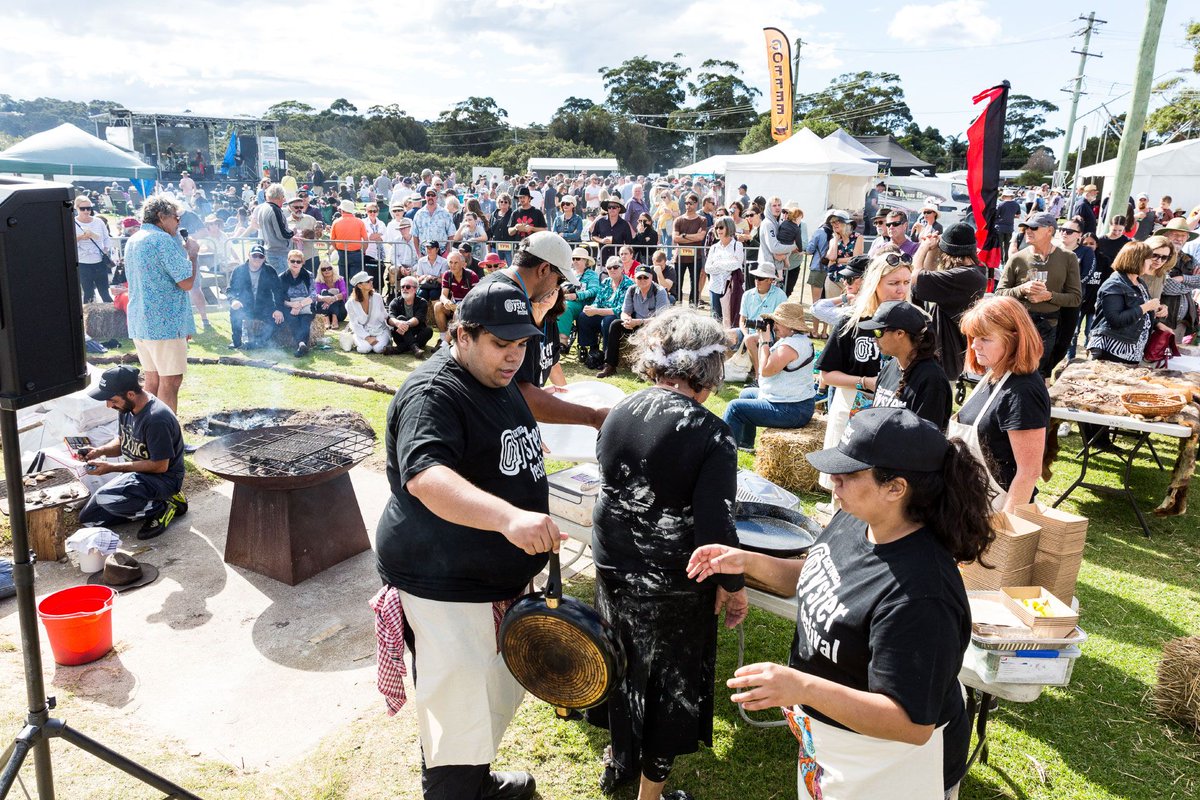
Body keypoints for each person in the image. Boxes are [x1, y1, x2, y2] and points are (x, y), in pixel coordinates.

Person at [687, 406, 994, 800]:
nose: (834, 480)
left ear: (895, 488)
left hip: (892, 765)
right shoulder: (857, 518)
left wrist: (802, 687)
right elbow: (821, 573)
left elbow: (910, 724)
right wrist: (748, 562)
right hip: (836, 746)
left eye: (849, 473)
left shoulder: (922, 595)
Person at [370, 280, 563, 800]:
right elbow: (426, 476)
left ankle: (475, 783)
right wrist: (509, 518)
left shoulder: (497, 378)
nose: (514, 356)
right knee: (457, 711)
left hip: (486, 578)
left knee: (482, 698)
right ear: (461, 335)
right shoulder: (433, 393)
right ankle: (457, 791)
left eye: (520, 343)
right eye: (501, 344)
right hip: (443, 584)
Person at [588, 309, 747, 800]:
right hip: (671, 586)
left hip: (613, 569)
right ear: (709, 370)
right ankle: (649, 795)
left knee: (620, 664)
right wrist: (734, 587)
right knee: (667, 690)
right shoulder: (712, 432)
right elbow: (716, 529)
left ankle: (619, 760)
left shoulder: (620, 409)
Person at [815, 253, 911, 492]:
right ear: (874, 283)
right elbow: (826, 375)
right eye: (893, 283)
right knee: (844, 485)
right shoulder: (851, 321)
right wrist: (866, 382)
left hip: (893, 412)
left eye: (906, 282)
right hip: (850, 405)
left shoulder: (914, 323)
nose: (901, 290)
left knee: (880, 485)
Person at [956, 295, 1050, 511]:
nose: (975, 345)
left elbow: (1029, 472)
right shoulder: (994, 374)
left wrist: (1005, 525)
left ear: (1014, 339)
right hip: (969, 502)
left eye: (985, 339)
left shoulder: (1023, 392)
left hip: (995, 508)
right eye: (973, 337)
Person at [78, 366, 188, 540]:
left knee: (107, 497)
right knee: (89, 519)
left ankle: (163, 505)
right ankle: (148, 503)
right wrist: (99, 451)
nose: (108, 405)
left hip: (164, 479)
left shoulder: (156, 419)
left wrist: (111, 467)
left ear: (130, 394)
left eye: (112, 400)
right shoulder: (127, 408)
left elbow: (160, 466)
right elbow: (123, 441)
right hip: (139, 475)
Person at [123, 195, 198, 415]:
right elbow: (186, 282)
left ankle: (146, 429)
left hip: (141, 321)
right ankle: (165, 432)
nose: (178, 222)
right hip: (164, 322)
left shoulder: (134, 239)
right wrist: (193, 255)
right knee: (170, 380)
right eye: (176, 217)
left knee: (152, 380)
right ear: (161, 216)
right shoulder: (162, 240)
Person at [994, 212, 1082, 378]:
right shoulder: (1017, 258)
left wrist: (1049, 296)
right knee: (1013, 371)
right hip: (1019, 324)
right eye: (1026, 227)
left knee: (1038, 374)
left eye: (1034, 228)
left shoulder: (1068, 258)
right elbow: (999, 294)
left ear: (1049, 230)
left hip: (1049, 326)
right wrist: (1022, 289)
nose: (1028, 231)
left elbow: (1075, 298)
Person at [723, 301, 817, 450]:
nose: (774, 326)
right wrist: (764, 341)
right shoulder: (799, 340)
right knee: (746, 394)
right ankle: (745, 444)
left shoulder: (789, 347)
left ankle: (724, 453)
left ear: (789, 324)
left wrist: (765, 342)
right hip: (795, 402)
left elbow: (765, 371)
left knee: (735, 408)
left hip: (792, 409)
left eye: (777, 322)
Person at [857, 301, 952, 431]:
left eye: (878, 332)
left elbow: (926, 438)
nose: (874, 338)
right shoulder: (890, 366)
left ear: (900, 333)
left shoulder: (932, 380)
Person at [910, 223, 989, 380]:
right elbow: (929, 276)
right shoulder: (971, 273)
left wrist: (924, 247)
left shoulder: (964, 277)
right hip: (945, 357)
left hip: (946, 359)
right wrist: (933, 250)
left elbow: (916, 279)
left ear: (948, 253)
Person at [1086, 241, 1170, 364]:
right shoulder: (1114, 284)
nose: (1151, 262)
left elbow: (1137, 313)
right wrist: (1146, 307)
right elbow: (1116, 319)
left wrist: (1157, 322)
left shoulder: (1139, 282)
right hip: (1110, 350)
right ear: (1137, 260)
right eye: (1149, 258)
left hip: (1132, 352)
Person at [595, 264, 671, 379]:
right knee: (615, 324)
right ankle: (610, 365)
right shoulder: (631, 289)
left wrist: (638, 322)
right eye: (639, 277)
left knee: (652, 333)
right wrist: (626, 319)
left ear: (651, 278)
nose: (642, 280)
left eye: (645, 277)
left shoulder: (660, 291)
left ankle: (649, 370)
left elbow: (661, 319)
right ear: (635, 278)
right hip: (637, 323)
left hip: (655, 326)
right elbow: (625, 311)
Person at [578, 258, 635, 371]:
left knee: (608, 321)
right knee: (583, 316)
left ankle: (606, 356)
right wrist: (591, 308)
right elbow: (597, 301)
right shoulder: (606, 282)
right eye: (609, 267)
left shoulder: (628, 284)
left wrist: (596, 311)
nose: (612, 270)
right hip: (603, 312)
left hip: (620, 316)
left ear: (622, 268)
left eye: (615, 267)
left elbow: (619, 310)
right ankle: (593, 349)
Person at [226, 244, 285, 350]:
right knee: (235, 311)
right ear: (249, 255)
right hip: (245, 306)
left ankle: (260, 341)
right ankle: (236, 342)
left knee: (278, 319)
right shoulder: (239, 270)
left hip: (264, 307)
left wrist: (278, 309)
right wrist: (233, 300)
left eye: (260, 256)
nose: (257, 258)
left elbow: (278, 291)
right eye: (254, 255)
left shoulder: (269, 270)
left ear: (264, 258)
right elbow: (230, 290)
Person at [738, 263, 790, 377]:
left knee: (749, 340)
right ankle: (723, 372)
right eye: (756, 277)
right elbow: (742, 321)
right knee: (726, 335)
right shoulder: (747, 294)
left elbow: (782, 321)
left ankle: (759, 375)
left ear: (770, 280)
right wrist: (745, 334)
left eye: (760, 278)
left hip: (768, 332)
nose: (757, 280)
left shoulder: (780, 295)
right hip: (747, 331)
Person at [432, 250, 479, 350]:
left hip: (468, 305)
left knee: (457, 311)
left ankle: (444, 344)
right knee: (438, 306)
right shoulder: (447, 275)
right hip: (454, 303)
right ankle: (443, 338)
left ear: (462, 264)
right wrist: (446, 301)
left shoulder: (472, 276)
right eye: (450, 262)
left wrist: (460, 305)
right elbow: (443, 295)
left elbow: (476, 298)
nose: (452, 265)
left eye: (456, 263)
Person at [704, 217, 744, 328]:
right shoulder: (713, 248)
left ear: (729, 227)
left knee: (731, 320)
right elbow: (707, 268)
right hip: (715, 288)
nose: (718, 230)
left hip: (731, 288)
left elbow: (736, 265)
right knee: (715, 320)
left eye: (721, 227)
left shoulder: (737, 245)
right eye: (716, 227)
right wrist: (727, 265)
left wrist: (717, 264)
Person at [557, 247, 599, 350]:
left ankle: (562, 341)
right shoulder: (568, 273)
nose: (575, 261)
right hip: (564, 299)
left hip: (582, 303)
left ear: (585, 261)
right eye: (573, 259)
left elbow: (594, 290)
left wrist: (577, 296)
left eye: (578, 259)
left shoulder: (592, 275)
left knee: (565, 307)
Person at [74, 195, 113, 303]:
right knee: (88, 293)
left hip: (99, 260)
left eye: (88, 208)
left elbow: (106, 238)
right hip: (83, 262)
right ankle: (88, 313)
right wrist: (81, 237)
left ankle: (110, 312)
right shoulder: (73, 222)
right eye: (82, 209)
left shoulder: (98, 222)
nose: (86, 211)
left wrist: (105, 249)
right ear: (76, 208)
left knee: (104, 292)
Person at [672, 194, 708, 306]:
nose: (688, 205)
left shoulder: (702, 220)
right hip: (679, 257)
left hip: (695, 257)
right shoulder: (678, 220)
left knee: (695, 283)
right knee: (678, 283)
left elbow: (700, 237)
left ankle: (693, 306)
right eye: (686, 203)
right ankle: (678, 305)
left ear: (696, 204)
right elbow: (675, 238)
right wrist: (693, 237)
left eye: (690, 203)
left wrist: (684, 236)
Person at [252, 184, 296, 274]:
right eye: (283, 196)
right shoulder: (274, 209)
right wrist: (292, 232)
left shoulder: (263, 208)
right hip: (278, 253)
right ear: (279, 196)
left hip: (270, 251)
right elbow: (282, 234)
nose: (284, 199)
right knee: (282, 280)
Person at [279, 250, 315, 357]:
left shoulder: (309, 275)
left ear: (302, 263)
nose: (295, 263)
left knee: (305, 321)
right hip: (289, 305)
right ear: (288, 261)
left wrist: (299, 305)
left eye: (298, 261)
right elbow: (279, 298)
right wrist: (292, 305)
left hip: (306, 304)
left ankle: (301, 344)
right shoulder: (281, 277)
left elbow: (314, 294)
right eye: (292, 261)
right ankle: (302, 344)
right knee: (292, 320)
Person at [344, 271, 390, 354]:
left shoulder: (377, 297)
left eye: (371, 280)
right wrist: (367, 337)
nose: (371, 282)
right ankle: (354, 338)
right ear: (359, 286)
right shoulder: (350, 303)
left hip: (380, 330)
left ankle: (386, 340)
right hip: (361, 332)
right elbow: (354, 324)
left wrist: (394, 324)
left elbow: (385, 315)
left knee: (378, 349)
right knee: (364, 349)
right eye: (368, 281)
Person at [387, 276, 432, 358]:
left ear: (415, 289)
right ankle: (414, 348)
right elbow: (390, 318)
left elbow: (418, 318)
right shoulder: (395, 302)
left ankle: (398, 349)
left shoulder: (422, 302)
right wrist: (398, 323)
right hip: (400, 334)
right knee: (400, 318)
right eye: (402, 287)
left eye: (407, 287)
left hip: (416, 332)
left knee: (428, 331)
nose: (404, 289)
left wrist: (406, 324)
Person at [592, 197, 636, 268]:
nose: (611, 209)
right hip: (602, 260)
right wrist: (602, 240)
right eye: (609, 207)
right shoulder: (600, 222)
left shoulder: (624, 224)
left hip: (618, 261)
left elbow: (628, 243)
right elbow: (593, 236)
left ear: (619, 209)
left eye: (614, 207)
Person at [312, 262, 348, 330]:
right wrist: (325, 298)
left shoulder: (340, 279)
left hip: (340, 314)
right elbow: (316, 295)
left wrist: (332, 298)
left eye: (329, 268)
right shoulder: (318, 281)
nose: (326, 270)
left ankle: (334, 318)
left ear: (332, 269)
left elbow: (344, 294)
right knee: (324, 292)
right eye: (323, 269)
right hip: (323, 312)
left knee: (334, 291)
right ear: (320, 272)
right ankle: (327, 319)